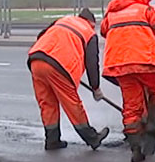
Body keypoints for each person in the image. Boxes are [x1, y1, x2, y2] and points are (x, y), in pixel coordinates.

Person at [101, 0, 155, 162]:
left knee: (131, 107)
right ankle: (152, 123)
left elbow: (104, 31)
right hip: (144, 61)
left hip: (120, 64)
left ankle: (136, 149)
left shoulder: (111, 14)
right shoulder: (144, 9)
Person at [27, 8, 109, 151]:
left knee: (47, 104)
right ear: (92, 23)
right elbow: (91, 62)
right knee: (72, 104)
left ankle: (52, 140)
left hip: (36, 59)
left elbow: (42, 35)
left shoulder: (63, 20)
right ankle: (92, 138)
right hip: (60, 66)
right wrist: (95, 88)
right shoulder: (89, 33)